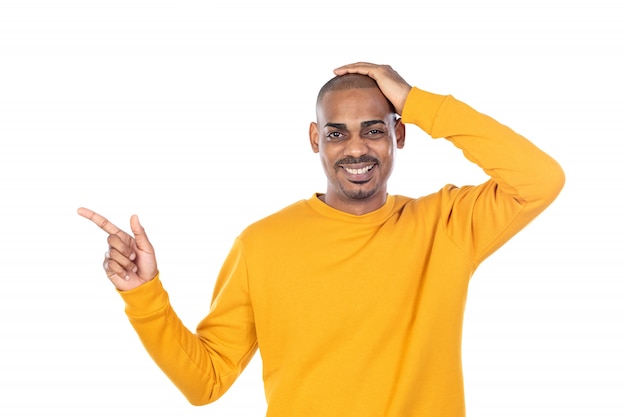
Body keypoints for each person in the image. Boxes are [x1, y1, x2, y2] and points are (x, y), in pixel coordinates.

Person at [78, 62, 565, 416]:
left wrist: (418, 102)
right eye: (338, 134)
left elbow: (540, 179)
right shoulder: (262, 245)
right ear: (316, 139)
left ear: (399, 135)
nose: (357, 148)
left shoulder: (447, 225)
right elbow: (206, 382)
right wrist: (145, 297)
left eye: (374, 130)